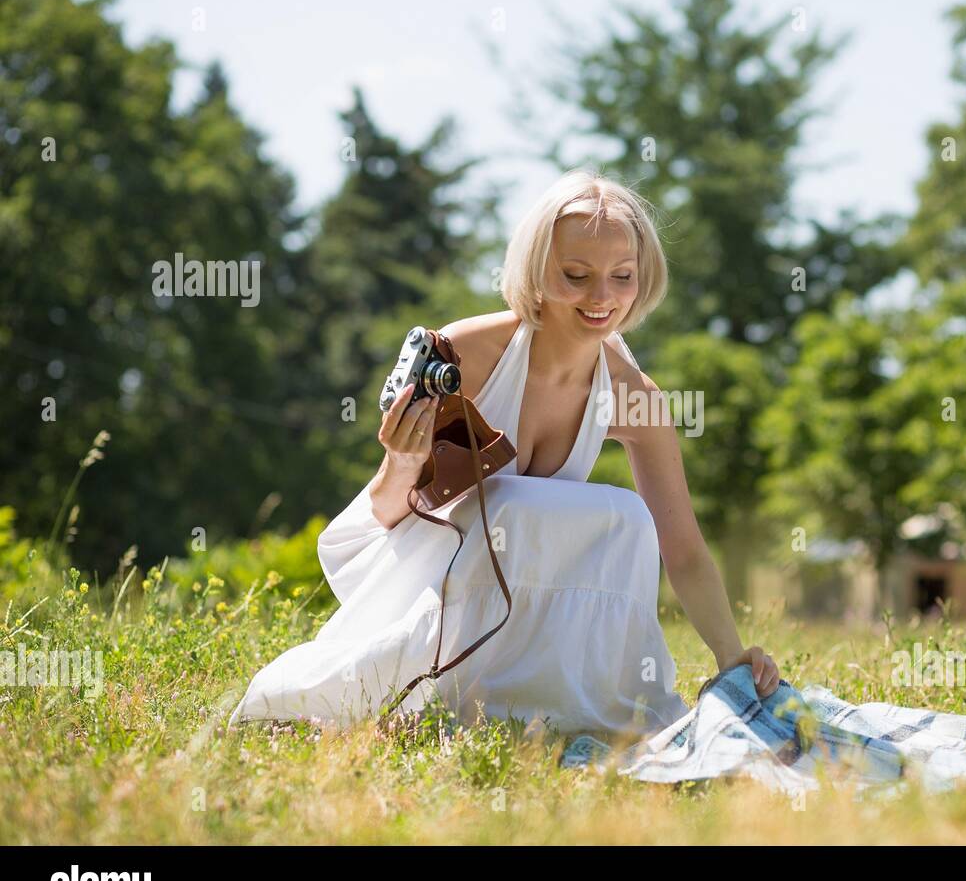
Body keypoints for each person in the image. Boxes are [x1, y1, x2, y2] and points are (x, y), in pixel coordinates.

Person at [230, 169, 780, 735]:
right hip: (428, 567)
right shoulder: (465, 354)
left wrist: (729, 657)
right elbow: (388, 510)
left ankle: (554, 701)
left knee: (627, 519)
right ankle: (426, 694)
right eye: (575, 274)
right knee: (511, 499)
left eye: (622, 276)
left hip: (528, 593)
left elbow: (682, 547)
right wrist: (401, 462)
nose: (601, 297)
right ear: (536, 269)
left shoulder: (635, 396)